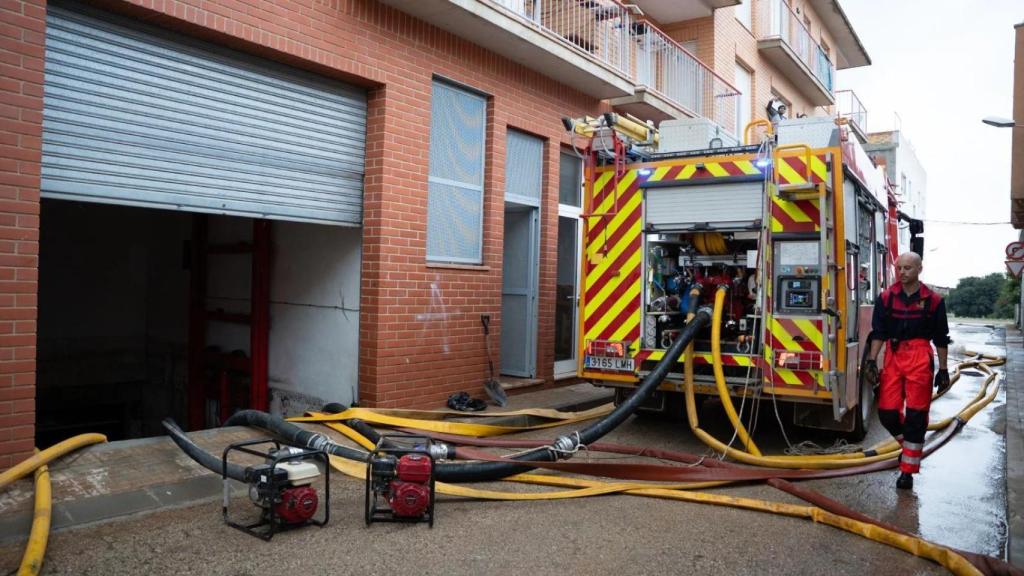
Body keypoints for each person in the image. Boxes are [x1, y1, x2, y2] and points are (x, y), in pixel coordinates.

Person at [862, 252, 951, 490]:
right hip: (893, 355)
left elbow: (942, 338)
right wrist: (871, 361)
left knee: (916, 415)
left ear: (919, 269)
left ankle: (907, 471)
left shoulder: (934, 301)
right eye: (899, 268)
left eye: (907, 268)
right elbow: (878, 332)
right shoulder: (886, 297)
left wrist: (943, 370)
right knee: (887, 413)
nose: (902, 272)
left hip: (920, 356)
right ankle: (908, 445)